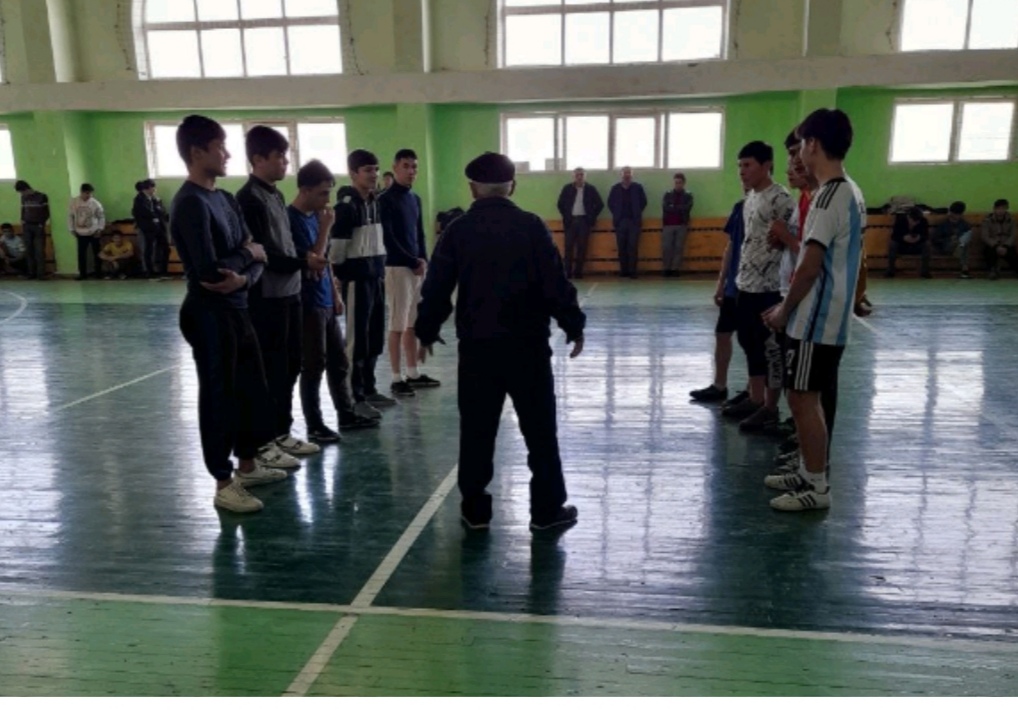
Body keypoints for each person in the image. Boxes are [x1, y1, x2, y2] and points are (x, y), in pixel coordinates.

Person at [415, 152, 584, 532]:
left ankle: (475, 511)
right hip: (528, 347)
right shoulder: (532, 226)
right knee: (540, 431)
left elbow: (437, 285)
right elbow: (555, 283)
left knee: (477, 430)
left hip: (478, 349)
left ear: (472, 188)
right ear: (513, 186)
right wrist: (573, 324)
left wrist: (426, 329)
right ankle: (546, 511)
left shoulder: (458, 230)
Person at [170, 114, 288, 514]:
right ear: (196, 152)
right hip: (208, 313)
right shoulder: (189, 203)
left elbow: (259, 253)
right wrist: (246, 259)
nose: (227, 155)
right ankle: (223, 482)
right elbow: (209, 270)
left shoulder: (224, 199)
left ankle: (248, 465)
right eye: (220, 147)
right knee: (219, 397)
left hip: (238, 307)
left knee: (251, 390)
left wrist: (244, 275)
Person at [763, 108, 865, 512]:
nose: (799, 153)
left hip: (816, 321)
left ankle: (817, 486)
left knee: (803, 399)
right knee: (806, 398)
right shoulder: (849, 191)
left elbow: (809, 266)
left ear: (813, 145)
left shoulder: (827, 197)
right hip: (828, 318)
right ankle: (808, 470)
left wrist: (783, 310)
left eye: (802, 144)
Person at [237, 126, 326, 463]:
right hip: (266, 297)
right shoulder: (248, 199)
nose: (285, 163)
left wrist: (304, 261)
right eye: (279, 157)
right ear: (258, 159)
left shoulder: (275, 195)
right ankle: (263, 442)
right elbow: (264, 253)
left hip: (291, 293)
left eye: (286, 156)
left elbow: (286, 245)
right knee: (269, 369)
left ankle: (281, 432)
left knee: (290, 365)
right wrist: (304, 262)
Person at [289, 159, 379, 443]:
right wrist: (326, 227)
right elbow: (314, 261)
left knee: (338, 361)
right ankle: (314, 423)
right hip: (307, 301)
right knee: (314, 364)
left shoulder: (317, 215)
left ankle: (346, 413)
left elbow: (326, 261)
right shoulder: (292, 219)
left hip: (325, 298)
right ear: (305, 190)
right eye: (322, 193)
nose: (327, 200)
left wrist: (336, 294)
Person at [725, 141, 795, 434]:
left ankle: (770, 407)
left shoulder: (781, 198)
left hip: (770, 286)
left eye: (748, 165)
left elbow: (792, 241)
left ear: (766, 166)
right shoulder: (750, 198)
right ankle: (755, 399)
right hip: (746, 283)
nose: (742, 171)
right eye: (739, 166)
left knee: (770, 349)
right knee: (748, 341)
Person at [331, 149, 394, 419]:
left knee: (374, 336)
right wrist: (339, 275)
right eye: (368, 170)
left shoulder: (375, 202)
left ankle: (369, 389)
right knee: (356, 341)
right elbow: (337, 249)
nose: (374, 174)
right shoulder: (346, 206)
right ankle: (353, 398)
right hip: (356, 280)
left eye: (376, 169)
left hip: (376, 277)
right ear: (353, 173)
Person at [378, 148, 440, 396]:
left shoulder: (415, 199)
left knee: (412, 323)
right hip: (396, 267)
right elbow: (388, 238)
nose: (411, 171)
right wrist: (411, 260)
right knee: (397, 324)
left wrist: (424, 261)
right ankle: (396, 377)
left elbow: (419, 234)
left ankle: (413, 373)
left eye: (414, 166)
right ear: (395, 168)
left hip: (416, 269)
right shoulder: (384, 200)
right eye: (406, 166)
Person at [689, 196, 746, 404]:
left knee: (751, 339)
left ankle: (753, 391)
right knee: (722, 333)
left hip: (753, 285)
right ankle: (719, 385)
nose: (743, 180)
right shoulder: (739, 207)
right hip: (733, 286)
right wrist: (721, 282)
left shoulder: (769, 204)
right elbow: (731, 245)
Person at [555, 167, 604, 279]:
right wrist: (567, 216)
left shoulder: (590, 189)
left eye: (582, 175)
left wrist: (591, 217)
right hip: (570, 221)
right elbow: (560, 204)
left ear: (585, 176)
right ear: (573, 176)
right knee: (568, 247)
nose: (579, 177)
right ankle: (567, 272)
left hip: (584, 222)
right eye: (577, 175)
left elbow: (600, 204)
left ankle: (578, 272)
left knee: (582, 247)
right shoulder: (567, 188)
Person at [607, 167, 647, 278]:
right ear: (621, 175)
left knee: (633, 247)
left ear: (632, 175)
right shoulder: (615, 189)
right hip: (620, 222)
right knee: (621, 247)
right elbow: (610, 203)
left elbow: (643, 202)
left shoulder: (638, 188)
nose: (627, 175)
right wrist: (617, 214)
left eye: (629, 173)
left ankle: (632, 271)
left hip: (634, 222)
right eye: (625, 173)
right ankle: (623, 271)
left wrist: (636, 212)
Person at [132, 179, 171, 279]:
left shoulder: (155, 199)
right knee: (149, 250)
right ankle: (150, 273)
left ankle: (163, 271)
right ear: (147, 189)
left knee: (165, 248)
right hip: (148, 229)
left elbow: (161, 211)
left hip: (159, 227)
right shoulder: (139, 200)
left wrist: (158, 208)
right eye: (152, 188)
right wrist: (154, 217)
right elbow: (142, 214)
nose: (154, 190)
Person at [68, 183, 105, 281]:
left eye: (90, 193)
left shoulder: (95, 203)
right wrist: (71, 229)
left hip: (94, 232)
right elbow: (70, 216)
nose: (89, 195)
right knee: (81, 254)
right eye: (87, 193)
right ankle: (82, 274)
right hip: (80, 232)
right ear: (82, 192)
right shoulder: (74, 202)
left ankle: (98, 273)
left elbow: (101, 217)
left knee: (97, 253)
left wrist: (100, 229)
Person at [14, 180, 50, 280]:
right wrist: (22, 221)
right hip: (27, 226)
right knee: (29, 251)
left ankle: (41, 274)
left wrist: (41, 224)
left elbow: (46, 212)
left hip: (38, 226)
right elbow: (23, 210)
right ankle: (31, 273)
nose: (22, 194)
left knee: (39, 251)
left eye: (22, 192)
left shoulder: (42, 196)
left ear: (26, 189)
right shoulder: (23, 198)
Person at [661, 172, 694, 277]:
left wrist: (674, 207)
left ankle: (675, 269)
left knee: (678, 247)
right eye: (676, 182)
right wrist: (678, 207)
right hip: (668, 224)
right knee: (667, 247)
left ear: (683, 183)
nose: (678, 184)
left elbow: (687, 208)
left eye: (680, 182)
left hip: (682, 224)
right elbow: (666, 207)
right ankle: (666, 268)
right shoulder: (667, 194)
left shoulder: (688, 195)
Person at [886, 207, 931, 278]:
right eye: (913, 221)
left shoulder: (923, 221)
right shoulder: (900, 221)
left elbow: (926, 236)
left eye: (917, 221)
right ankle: (890, 270)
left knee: (927, 245)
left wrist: (919, 238)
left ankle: (925, 271)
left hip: (917, 246)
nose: (915, 223)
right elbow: (894, 236)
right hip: (902, 246)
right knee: (893, 244)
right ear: (908, 217)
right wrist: (903, 238)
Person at [981, 198, 1017, 280]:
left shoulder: (1011, 220)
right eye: (998, 208)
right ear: (994, 209)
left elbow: (1013, 235)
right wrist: (996, 246)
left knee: (1012, 254)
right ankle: (992, 271)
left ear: (1006, 209)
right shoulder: (987, 221)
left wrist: (1005, 246)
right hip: (993, 245)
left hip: (1007, 245)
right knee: (988, 251)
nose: (1001, 211)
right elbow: (985, 236)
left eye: (1003, 208)